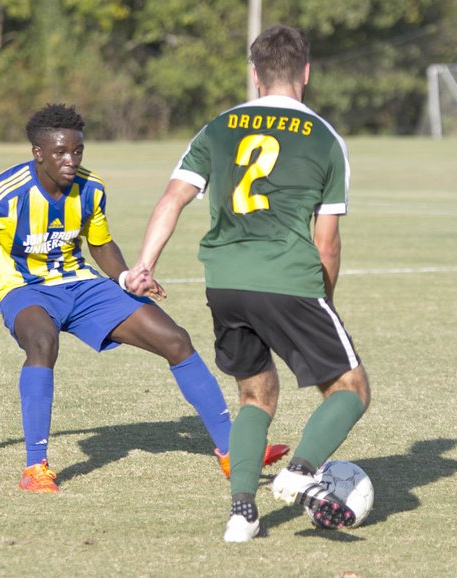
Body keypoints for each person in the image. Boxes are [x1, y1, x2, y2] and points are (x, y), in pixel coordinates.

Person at [0, 103, 288, 493]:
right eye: (61, 152)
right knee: (42, 343)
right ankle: (36, 467)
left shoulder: (91, 189)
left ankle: (232, 452)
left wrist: (126, 277)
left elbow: (100, 244)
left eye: (77, 150)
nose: (72, 160)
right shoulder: (6, 191)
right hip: (24, 289)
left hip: (82, 286)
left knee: (175, 339)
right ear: (38, 153)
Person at [129, 25, 371, 541]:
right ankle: (302, 471)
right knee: (351, 388)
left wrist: (143, 265)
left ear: (256, 75)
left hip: (225, 282)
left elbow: (171, 200)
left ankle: (242, 513)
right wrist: (322, 299)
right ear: (305, 72)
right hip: (287, 278)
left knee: (254, 396)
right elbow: (326, 241)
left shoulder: (217, 127)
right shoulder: (327, 138)